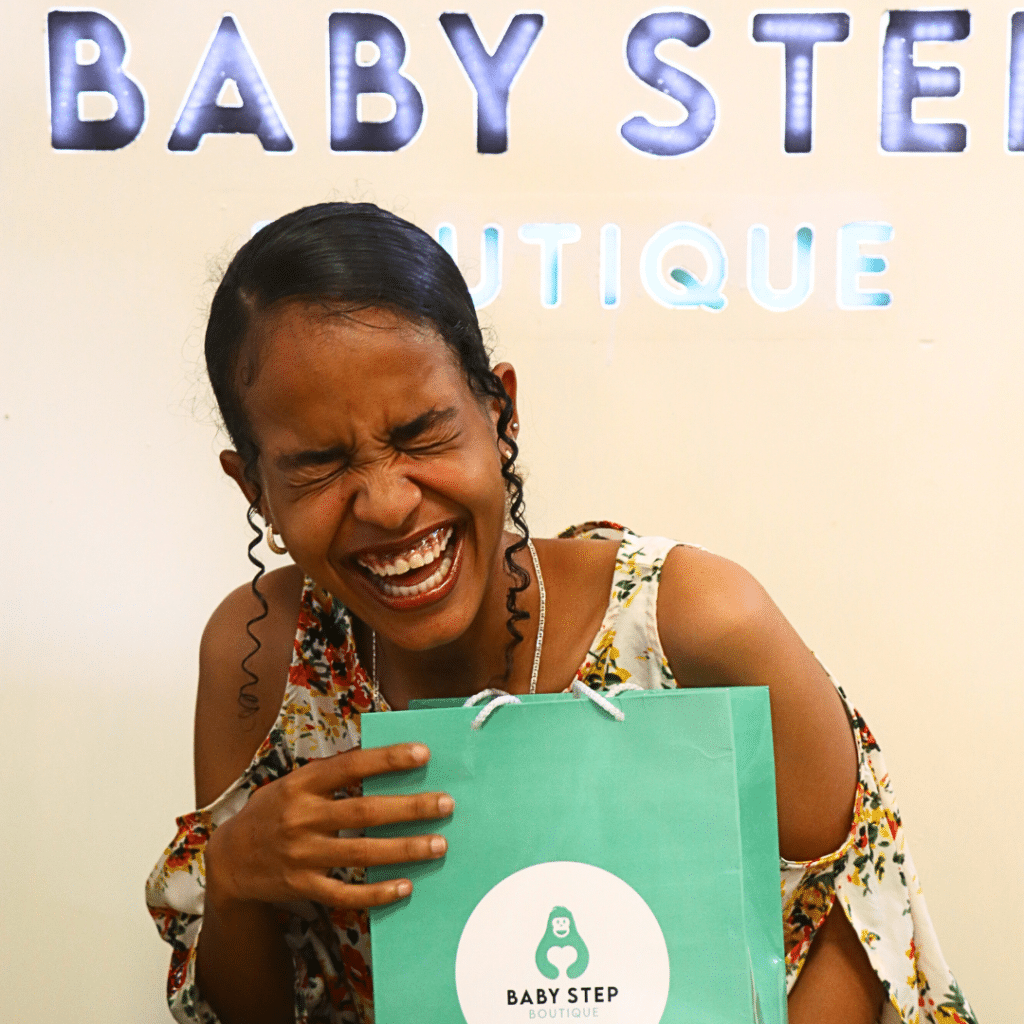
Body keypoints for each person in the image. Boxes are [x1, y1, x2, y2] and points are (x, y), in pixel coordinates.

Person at [147, 202, 976, 1024]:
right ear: (253, 485)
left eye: (421, 434)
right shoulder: (265, 662)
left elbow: (859, 926)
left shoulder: (696, 625)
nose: (390, 504)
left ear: (499, 412)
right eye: (319, 464)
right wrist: (240, 881)